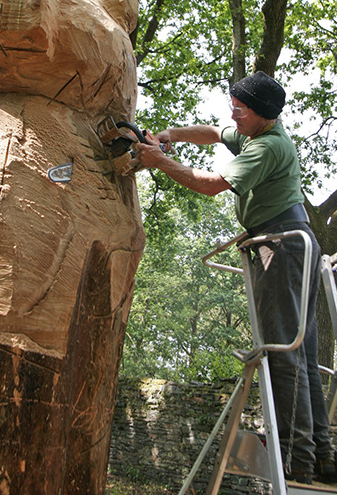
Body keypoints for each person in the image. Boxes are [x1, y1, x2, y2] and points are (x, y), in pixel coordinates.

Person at [136, 71, 336, 485]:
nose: (233, 114)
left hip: (281, 246)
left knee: (284, 352)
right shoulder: (255, 129)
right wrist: (172, 134)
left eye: (239, 110)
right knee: (301, 352)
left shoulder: (266, 147)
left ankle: (296, 457)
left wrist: (160, 160)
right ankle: (320, 455)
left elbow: (211, 185)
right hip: (293, 243)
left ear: (260, 115)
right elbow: (212, 132)